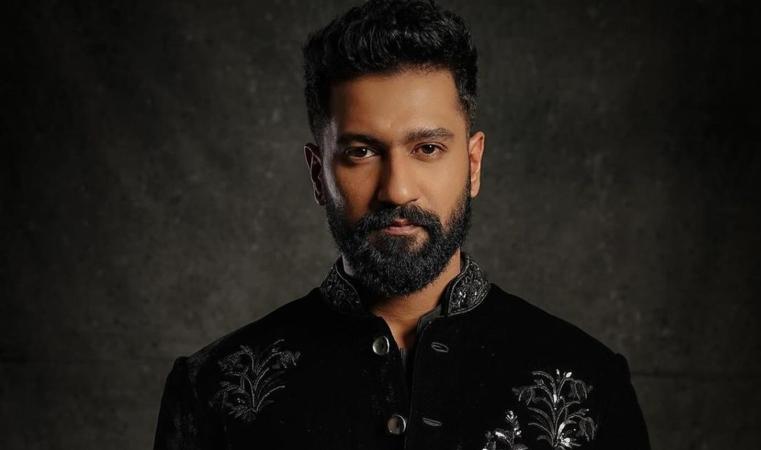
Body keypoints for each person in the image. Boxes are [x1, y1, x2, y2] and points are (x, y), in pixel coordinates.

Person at [153, 1, 651, 449]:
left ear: (473, 164)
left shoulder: (591, 383)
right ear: (318, 174)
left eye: (427, 148)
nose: (396, 189)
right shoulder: (213, 389)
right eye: (361, 152)